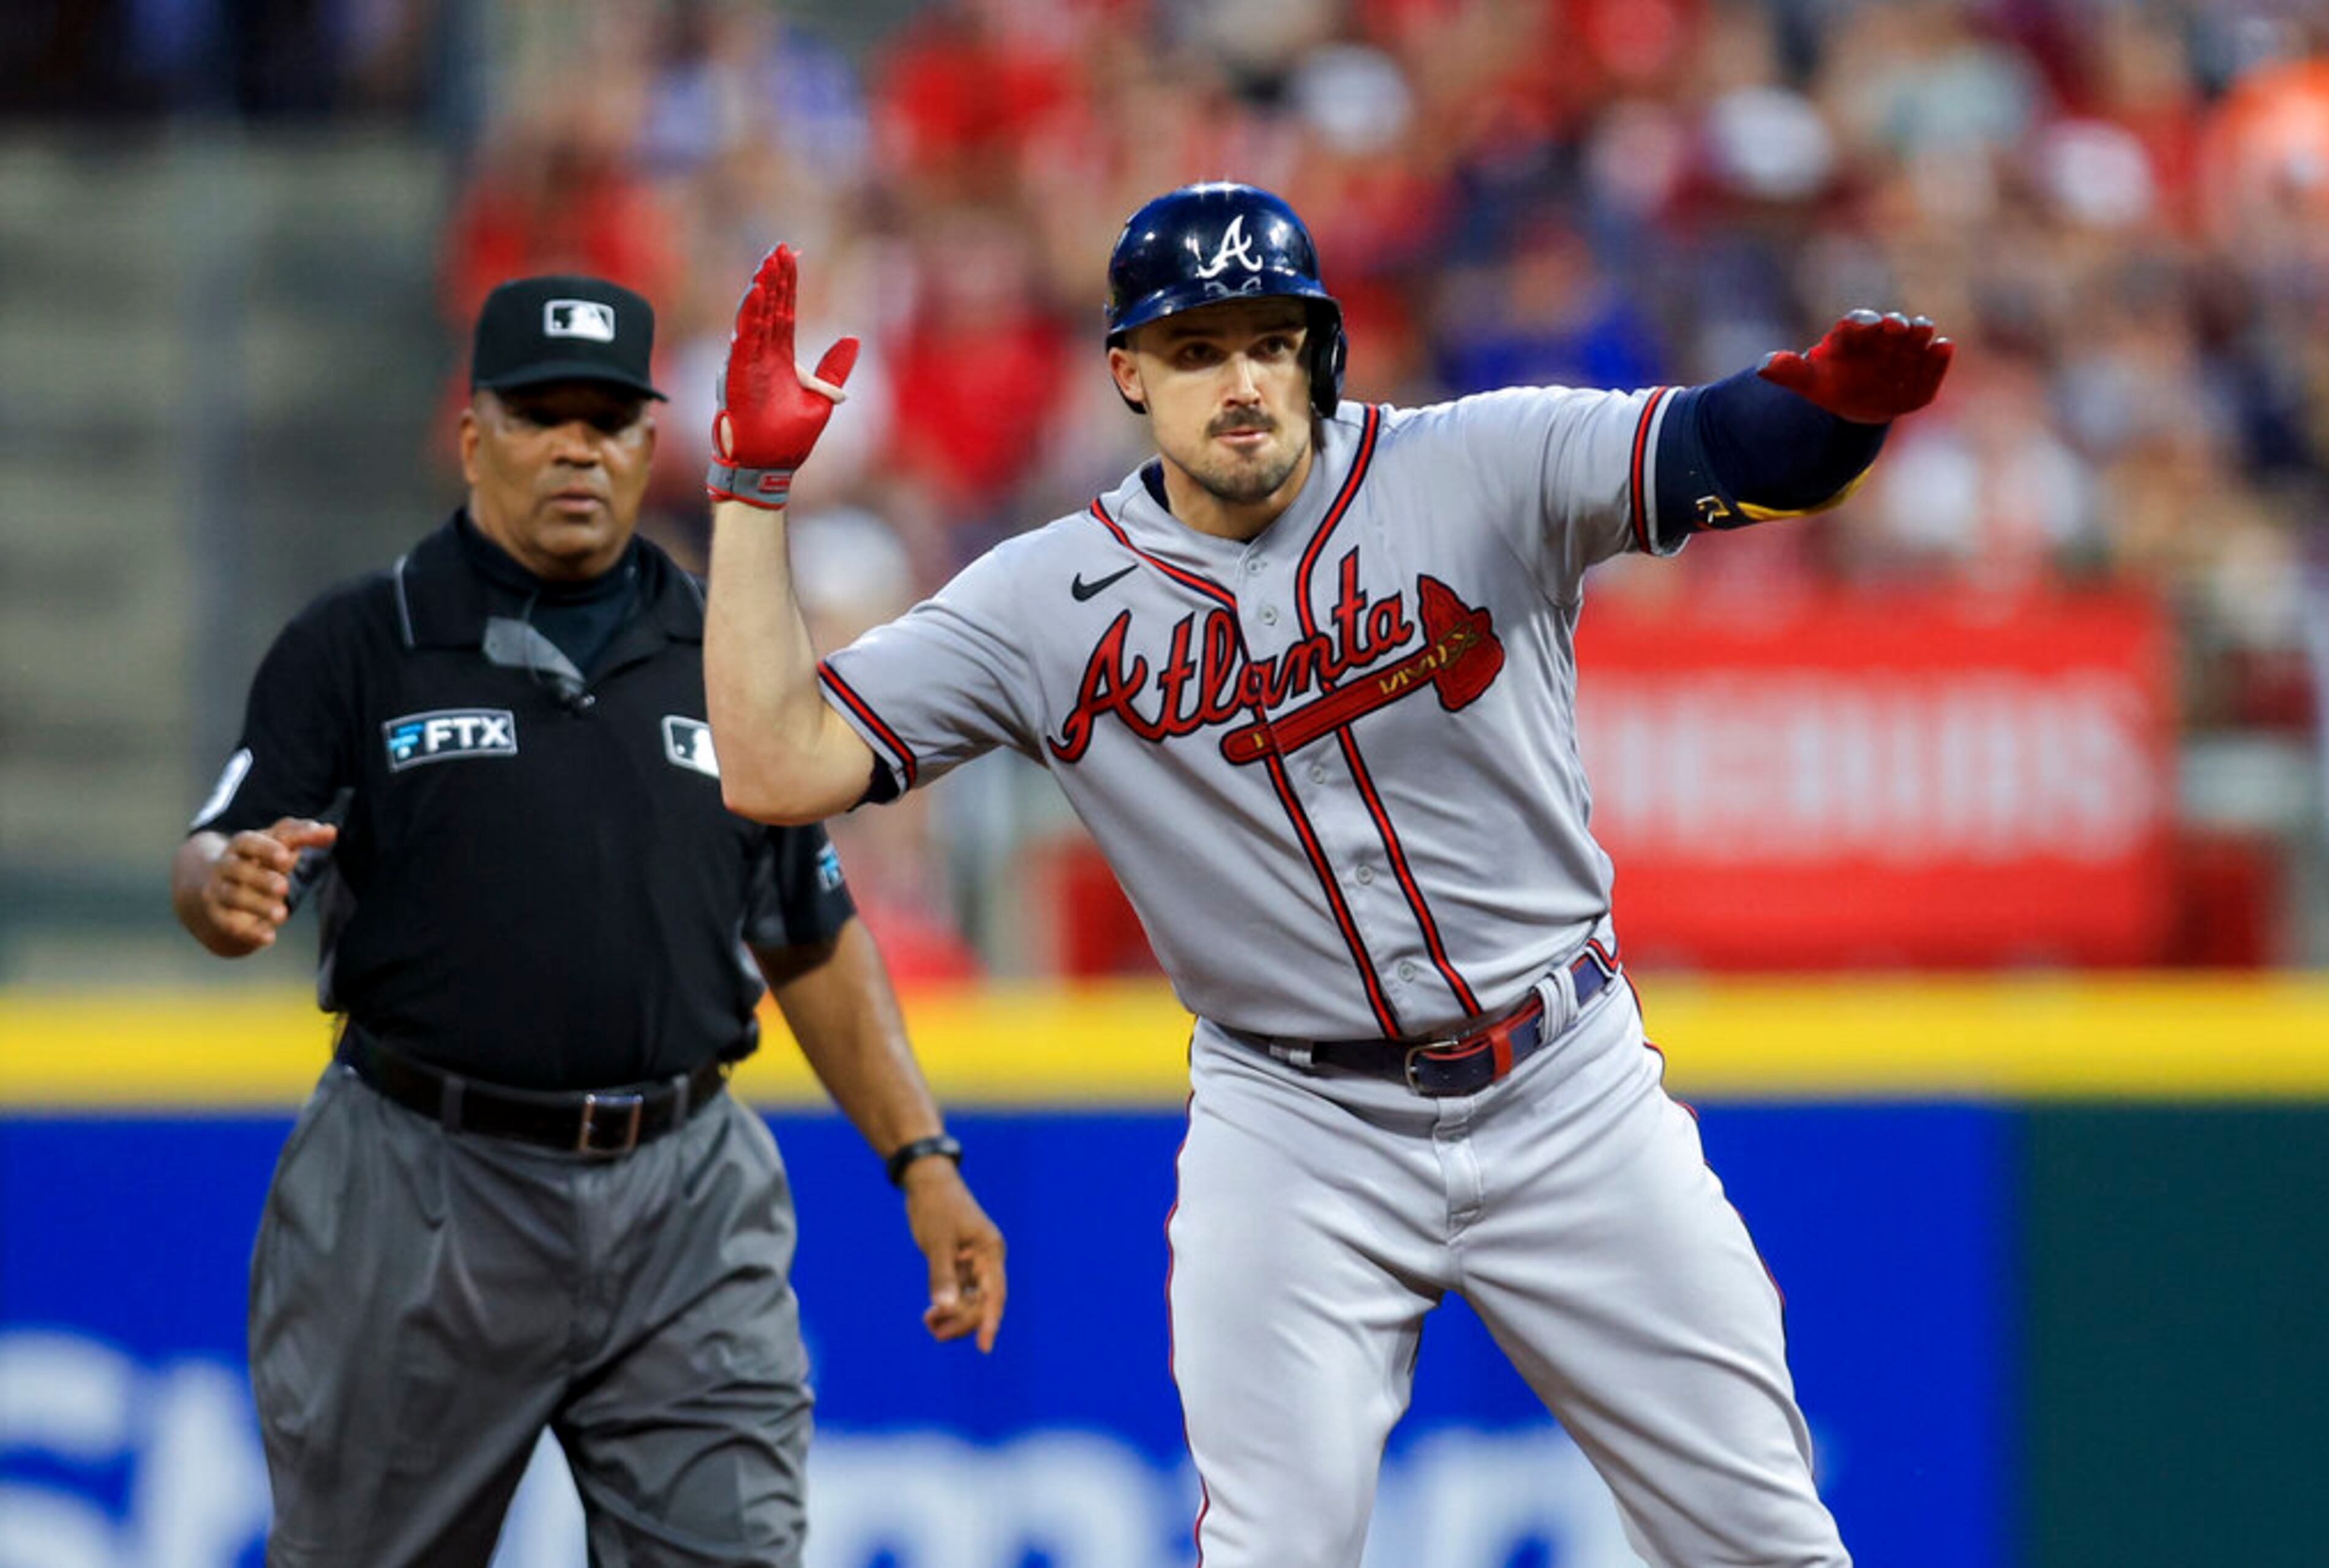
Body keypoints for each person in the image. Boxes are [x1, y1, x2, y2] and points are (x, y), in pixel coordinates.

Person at [699, 183, 1952, 1567]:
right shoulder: (1041, 603)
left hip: (1568, 1083)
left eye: (1269, 342)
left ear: (1319, 350)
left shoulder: (1476, 462)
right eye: (1195, 350)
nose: (1240, 382)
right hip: (1297, 1127)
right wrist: (753, 496)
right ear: (1128, 373)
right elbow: (774, 765)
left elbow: (1736, 445)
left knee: (1768, 1542)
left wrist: (1836, 413)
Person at [170, 273, 1006, 1568]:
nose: (578, 446)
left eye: (609, 419)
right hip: (421, 1185)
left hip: (683, 1189)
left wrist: (924, 1157)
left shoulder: (728, 654)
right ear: (473, 436)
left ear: (646, 443)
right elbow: (221, 844)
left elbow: (808, 925)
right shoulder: (361, 641)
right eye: (541, 415)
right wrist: (220, 886)